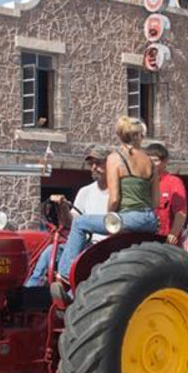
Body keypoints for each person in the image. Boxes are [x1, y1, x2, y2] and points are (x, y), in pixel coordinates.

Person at [55, 117, 159, 287]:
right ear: (139, 136)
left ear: (119, 135)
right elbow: (154, 202)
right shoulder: (150, 163)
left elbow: (115, 198)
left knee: (81, 222)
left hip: (128, 218)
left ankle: (65, 274)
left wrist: (111, 218)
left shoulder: (115, 158)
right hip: (149, 219)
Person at [25, 146, 111, 287]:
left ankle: (66, 285)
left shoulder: (117, 192)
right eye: (92, 164)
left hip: (103, 247)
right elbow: (71, 223)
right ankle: (29, 293)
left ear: (110, 164)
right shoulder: (85, 192)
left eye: (99, 163)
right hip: (84, 244)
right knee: (48, 252)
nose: (94, 167)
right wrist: (63, 206)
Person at [147, 143, 187, 244]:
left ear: (165, 162)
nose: (151, 163)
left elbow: (180, 212)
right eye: (148, 160)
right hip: (145, 239)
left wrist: (173, 234)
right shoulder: (142, 183)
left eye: (155, 160)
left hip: (164, 241)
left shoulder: (173, 182)